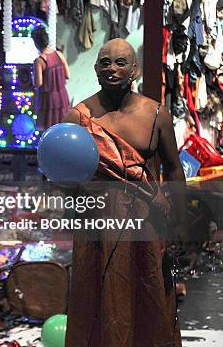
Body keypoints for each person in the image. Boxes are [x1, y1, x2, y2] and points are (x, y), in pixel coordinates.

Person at [62, 38, 187, 347]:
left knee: (148, 295)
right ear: (95, 69)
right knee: (97, 300)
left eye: (120, 62)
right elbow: (65, 175)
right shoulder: (79, 118)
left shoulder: (156, 114)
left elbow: (173, 170)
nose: (112, 69)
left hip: (145, 224)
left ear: (135, 70)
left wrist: (181, 221)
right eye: (105, 62)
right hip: (98, 225)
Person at [31, 27, 70, 130]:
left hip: (48, 100)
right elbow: (67, 75)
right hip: (63, 97)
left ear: (36, 43)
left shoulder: (39, 61)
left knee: (49, 130)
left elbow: (38, 83)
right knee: (62, 129)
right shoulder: (59, 54)